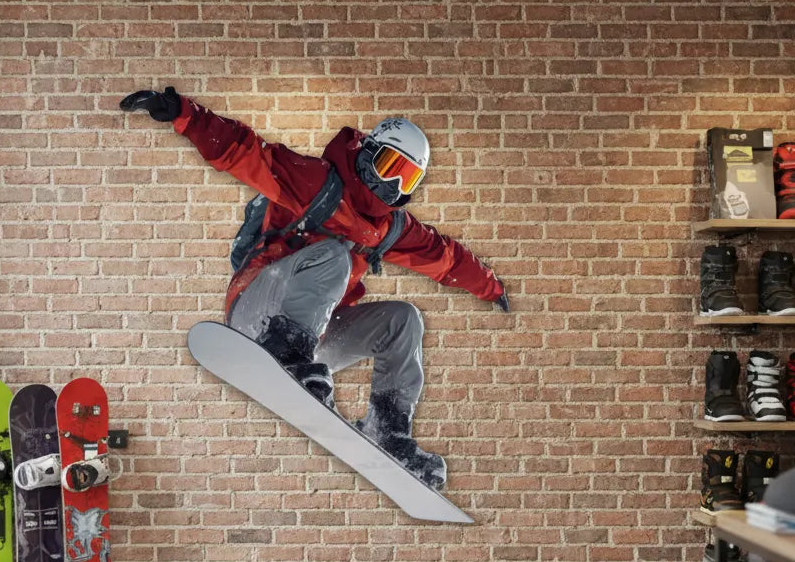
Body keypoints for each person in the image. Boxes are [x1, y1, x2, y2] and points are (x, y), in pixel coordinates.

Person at [120, 86, 509, 489]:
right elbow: (246, 151)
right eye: (389, 165)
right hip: (258, 306)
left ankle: (388, 430)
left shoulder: (388, 227)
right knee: (335, 256)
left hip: (312, 337)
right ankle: (284, 353)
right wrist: (184, 114)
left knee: (404, 320)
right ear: (368, 155)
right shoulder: (316, 183)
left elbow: (444, 255)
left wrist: (491, 288)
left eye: (406, 177)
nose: (392, 184)